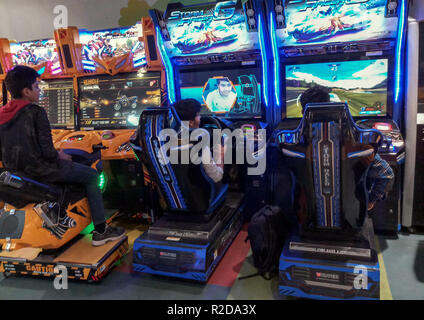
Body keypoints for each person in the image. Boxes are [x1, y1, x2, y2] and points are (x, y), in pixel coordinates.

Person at [0, 66, 125, 246]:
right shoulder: (36, 112)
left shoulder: (2, 114)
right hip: (43, 171)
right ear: (26, 91)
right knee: (91, 175)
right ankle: (101, 231)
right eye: (36, 86)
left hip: (16, 174)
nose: (39, 90)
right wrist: (61, 155)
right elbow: (48, 152)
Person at [299, 86, 394, 211]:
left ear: (303, 113)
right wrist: (370, 200)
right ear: (329, 107)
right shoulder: (356, 145)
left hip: (308, 216)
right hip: (351, 216)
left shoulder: (294, 145)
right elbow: (387, 174)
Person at [173, 98, 225, 183]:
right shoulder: (198, 142)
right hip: (204, 193)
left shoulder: (168, 139)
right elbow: (217, 177)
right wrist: (220, 155)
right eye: (198, 115)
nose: (200, 118)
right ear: (190, 122)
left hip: (180, 190)